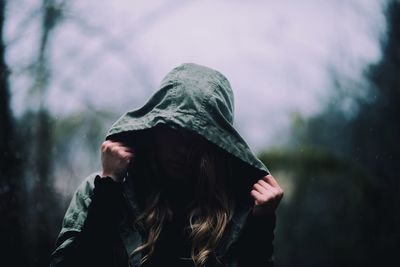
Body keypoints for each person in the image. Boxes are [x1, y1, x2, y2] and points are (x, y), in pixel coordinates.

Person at [50, 63, 284, 267]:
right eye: (172, 131)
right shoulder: (99, 190)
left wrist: (261, 226)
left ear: (215, 146)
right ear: (154, 130)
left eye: (196, 138)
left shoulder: (237, 211)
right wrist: (108, 190)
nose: (181, 148)